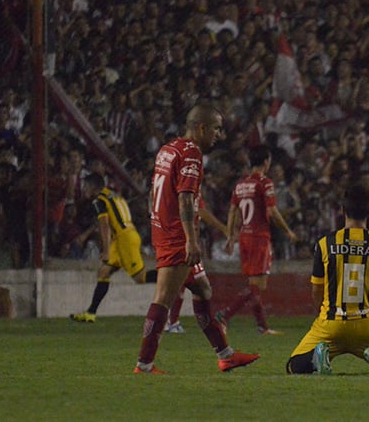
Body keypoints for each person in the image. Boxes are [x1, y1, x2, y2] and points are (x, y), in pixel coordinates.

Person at [135, 102, 259, 374]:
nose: (219, 135)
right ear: (201, 128)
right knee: (164, 298)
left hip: (164, 228)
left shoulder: (168, 149)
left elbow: (155, 192)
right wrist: (191, 240)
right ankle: (144, 365)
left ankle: (226, 355)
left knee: (203, 289)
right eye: (216, 129)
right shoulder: (192, 153)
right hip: (177, 234)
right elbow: (187, 198)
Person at [286, 183, 369, 375]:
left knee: (295, 366)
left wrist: (323, 315)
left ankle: (318, 360)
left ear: (343, 211)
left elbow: (317, 289)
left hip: (331, 323)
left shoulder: (325, 244)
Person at [216, 146, 297, 335]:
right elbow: (272, 211)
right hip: (259, 237)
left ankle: (262, 326)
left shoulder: (240, 184)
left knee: (254, 284)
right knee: (258, 285)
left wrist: (230, 236)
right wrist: (288, 231)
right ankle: (224, 315)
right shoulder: (265, 182)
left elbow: (232, 211)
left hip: (244, 237)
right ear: (266, 162)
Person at [70, 173, 157, 323]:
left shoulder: (99, 201)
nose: (84, 189)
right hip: (125, 236)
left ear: (93, 187)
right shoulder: (114, 195)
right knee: (103, 273)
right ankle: (91, 313)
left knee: (140, 278)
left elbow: (104, 225)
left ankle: (174, 278)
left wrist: (105, 250)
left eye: (86, 186)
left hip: (124, 239)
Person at [165, 199, 228, 334]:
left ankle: (171, 322)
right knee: (202, 287)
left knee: (180, 285)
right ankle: (212, 326)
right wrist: (223, 228)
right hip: (184, 244)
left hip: (177, 242)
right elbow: (202, 211)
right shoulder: (189, 186)